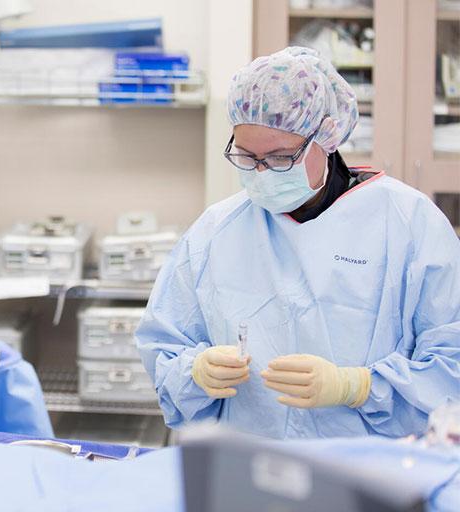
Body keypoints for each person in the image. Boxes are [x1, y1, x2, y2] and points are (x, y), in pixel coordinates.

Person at [135, 46, 460, 439]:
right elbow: (164, 345)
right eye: (246, 156)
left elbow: (450, 365)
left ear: (327, 138)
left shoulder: (409, 224)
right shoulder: (216, 231)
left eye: (279, 158)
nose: (261, 172)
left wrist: (358, 387)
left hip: (375, 475)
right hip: (250, 470)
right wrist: (195, 372)